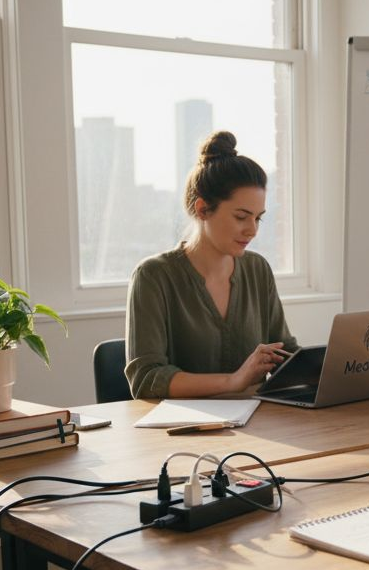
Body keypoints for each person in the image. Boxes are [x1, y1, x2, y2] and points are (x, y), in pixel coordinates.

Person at [125, 131, 298, 399]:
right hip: (184, 431)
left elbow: (285, 351)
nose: (252, 230)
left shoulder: (258, 270)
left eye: (258, 218)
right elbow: (146, 380)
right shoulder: (153, 276)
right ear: (203, 209)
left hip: (259, 426)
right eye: (241, 217)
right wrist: (233, 381)